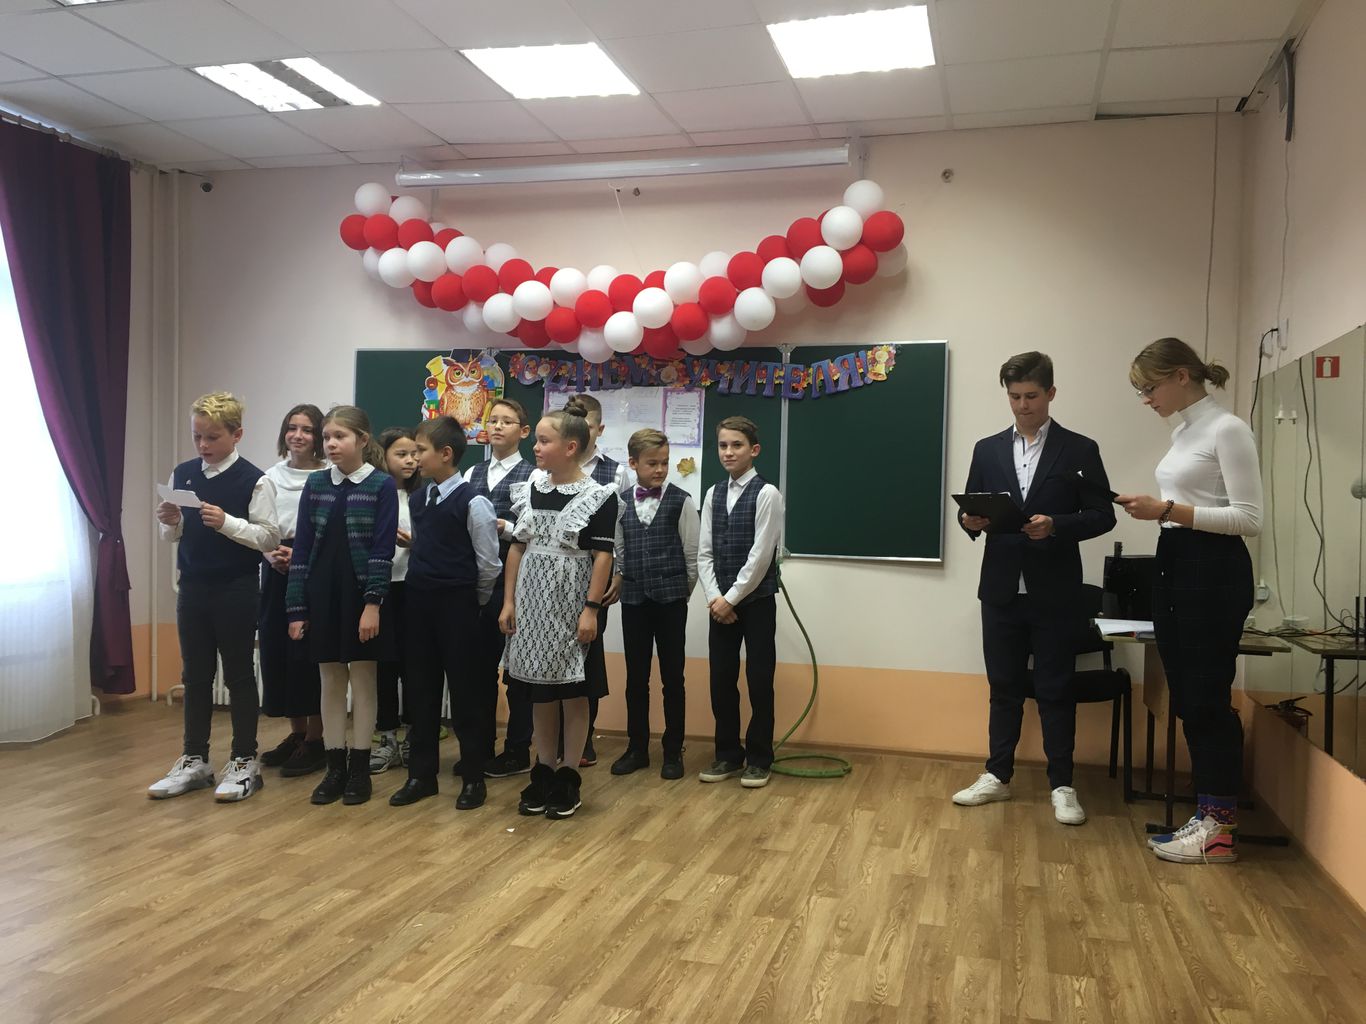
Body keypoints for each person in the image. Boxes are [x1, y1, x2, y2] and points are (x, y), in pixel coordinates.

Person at [953, 352, 1116, 825]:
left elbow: (1103, 515)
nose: (1022, 406)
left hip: (1055, 591)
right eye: (1014, 397)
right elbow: (970, 508)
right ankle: (996, 775)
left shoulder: (1079, 449)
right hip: (1001, 589)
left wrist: (1057, 525)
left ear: (1051, 393)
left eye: (1031, 396)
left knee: (1055, 689)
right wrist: (969, 520)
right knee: (1003, 687)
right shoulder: (987, 449)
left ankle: (1062, 785)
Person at [1117, 337, 1261, 865]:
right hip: (1175, 559)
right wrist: (1161, 512)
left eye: (1149, 388)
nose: (1146, 400)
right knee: (1187, 696)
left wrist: (1167, 509)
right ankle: (1207, 815)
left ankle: (1220, 831)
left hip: (1213, 569)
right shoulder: (1184, 432)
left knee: (1206, 698)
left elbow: (1249, 519)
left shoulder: (1228, 428)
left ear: (1182, 375)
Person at [148, 391, 279, 802]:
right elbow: (174, 535)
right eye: (197, 436)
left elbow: (268, 537)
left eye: (212, 437)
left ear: (236, 435)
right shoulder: (183, 473)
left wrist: (227, 523)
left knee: (238, 674)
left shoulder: (255, 479)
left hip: (237, 588)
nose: (203, 445)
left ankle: (244, 760)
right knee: (195, 675)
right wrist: (169, 522)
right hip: (193, 586)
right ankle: (194, 759)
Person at [500, 399, 618, 819]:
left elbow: (602, 557)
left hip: (570, 604)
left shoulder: (599, 495)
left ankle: (569, 774)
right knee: (540, 691)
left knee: (573, 692)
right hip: (531, 603)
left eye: (544, 441)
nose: (535, 447)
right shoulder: (530, 487)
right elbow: (518, 548)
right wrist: (509, 601)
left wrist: (591, 610)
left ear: (570, 447)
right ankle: (544, 769)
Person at [287, 406, 398, 807]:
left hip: (359, 595)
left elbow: (382, 551)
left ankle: (359, 769)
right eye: (327, 437)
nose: (331, 444)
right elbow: (302, 548)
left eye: (340, 436)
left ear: (363, 440)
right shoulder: (316, 483)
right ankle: (334, 767)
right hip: (322, 595)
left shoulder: (381, 485)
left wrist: (373, 604)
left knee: (364, 680)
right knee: (330, 680)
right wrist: (296, 608)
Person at [388, 416, 501, 810]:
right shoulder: (420, 499)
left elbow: (488, 564)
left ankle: (473, 778)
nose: (414, 458)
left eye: (420, 451)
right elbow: (426, 546)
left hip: (459, 606)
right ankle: (421, 776)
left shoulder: (473, 501)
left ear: (446, 454)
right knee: (420, 692)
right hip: (419, 605)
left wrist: (474, 602)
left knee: (467, 695)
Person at [696, 416, 784, 789]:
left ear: (754, 450)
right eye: (723, 445)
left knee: (759, 681)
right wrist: (715, 598)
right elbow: (704, 553)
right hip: (720, 605)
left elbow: (760, 557)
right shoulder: (713, 494)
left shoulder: (767, 494)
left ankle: (760, 758)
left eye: (737, 445)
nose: (729, 452)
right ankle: (728, 755)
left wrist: (730, 598)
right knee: (721, 680)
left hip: (756, 602)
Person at [608, 428, 699, 780]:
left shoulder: (681, 500)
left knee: (673, 678)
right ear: (633, 464)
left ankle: (673, 750)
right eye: (652, 463)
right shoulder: (620, 502)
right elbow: (619, 551)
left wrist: (681, 591)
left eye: (664, 462)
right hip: (634, 600)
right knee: (636, 678)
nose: (660, 469)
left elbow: (691, 554)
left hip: (671, 600)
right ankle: (637, 748)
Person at [463, 398, 535, 778]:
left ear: (523, 431)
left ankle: (517, 750)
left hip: (519, 585)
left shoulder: (534, 475)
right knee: (479, 671)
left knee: (518, 672)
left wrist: (504, 527)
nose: (497, 426)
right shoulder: (472, 472)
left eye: (507, 421)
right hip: (478, 584)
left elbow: (534, 529)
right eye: (492, 420)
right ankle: (479, 746)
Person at [258, 404, 327, 778]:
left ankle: (316, 739)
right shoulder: (270, 477)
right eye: (292, 428)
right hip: (276, 568)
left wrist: (301, 555)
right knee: (279, 651)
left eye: (307, 429)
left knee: (308, 655)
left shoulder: (329, 476)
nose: (298, 436)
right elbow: (261, 526)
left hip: (314, 569)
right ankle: (297, 733)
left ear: (319, 437)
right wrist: (271, 554)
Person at [564, 392, 630, 767]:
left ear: (599, 429)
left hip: (596, 576)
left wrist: (619, 571)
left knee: (587, 655)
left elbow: (620, 529)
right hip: (557, 576)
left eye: (586, 426)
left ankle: (584, 738)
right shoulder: (550, 468)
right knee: (556, 653)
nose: (579, 431)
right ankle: (557, 737)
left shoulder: (615, 472)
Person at [370, 427, 422, 775]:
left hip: (414, 589)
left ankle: (414, 737)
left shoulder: (423, 495)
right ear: (383, 456)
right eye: (401, 454)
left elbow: (437, 542)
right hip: (382, 590)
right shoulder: (375, 493)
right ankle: (386, 738)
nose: (410, 460)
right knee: (384, 668)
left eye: (415, 454)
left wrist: (415, 544)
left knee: (414, 667)